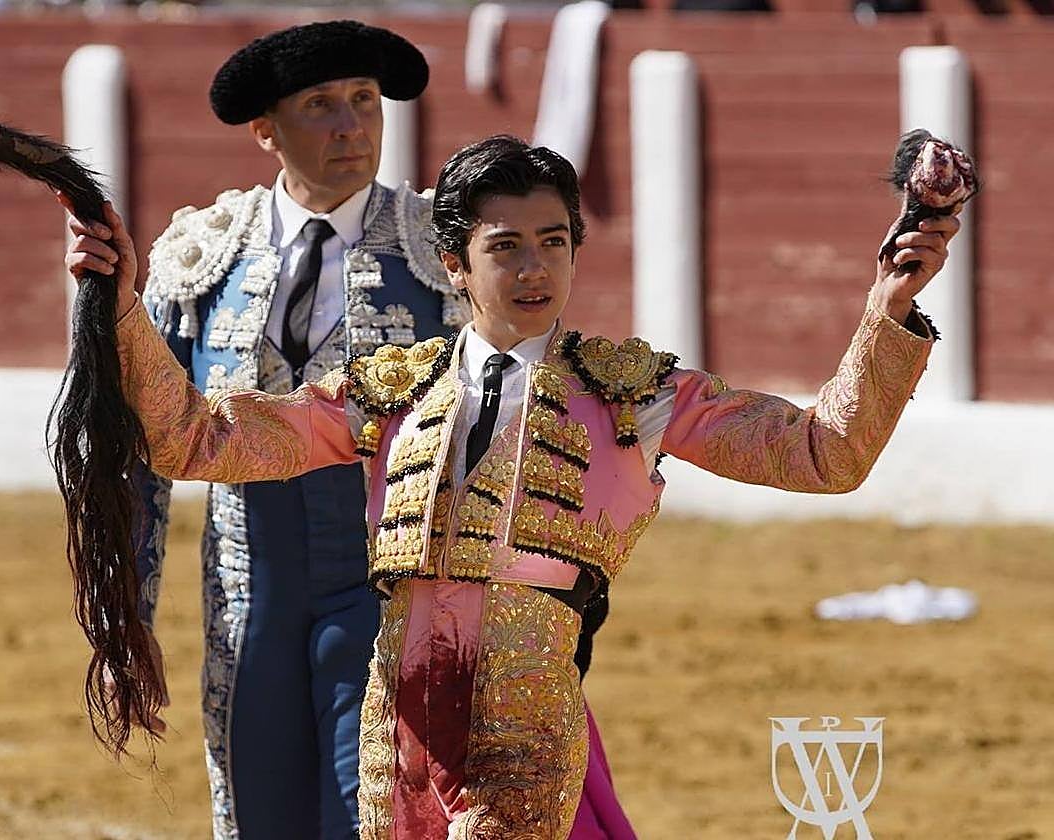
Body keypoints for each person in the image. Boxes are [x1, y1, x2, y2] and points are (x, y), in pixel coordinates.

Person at [68, 134, 957, 838]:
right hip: (398, 713)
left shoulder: (634, 393)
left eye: (554, 243)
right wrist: (121, 307)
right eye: (506, 248)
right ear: (455, 263)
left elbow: (822, 454)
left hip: (529, 702)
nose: (535, 270)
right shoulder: (391, 389)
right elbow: (196, 441)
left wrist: (891, 308)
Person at [63, 20, 466, 840]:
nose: (352, 125)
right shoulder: (201, 253)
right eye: (321, 105)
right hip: (249, 594)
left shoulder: (443, 250)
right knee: (259, 811)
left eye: (363, 100)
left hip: (391, 587)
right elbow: (139, 447)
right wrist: (124, 618)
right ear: (266, 131)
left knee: (376, 814)